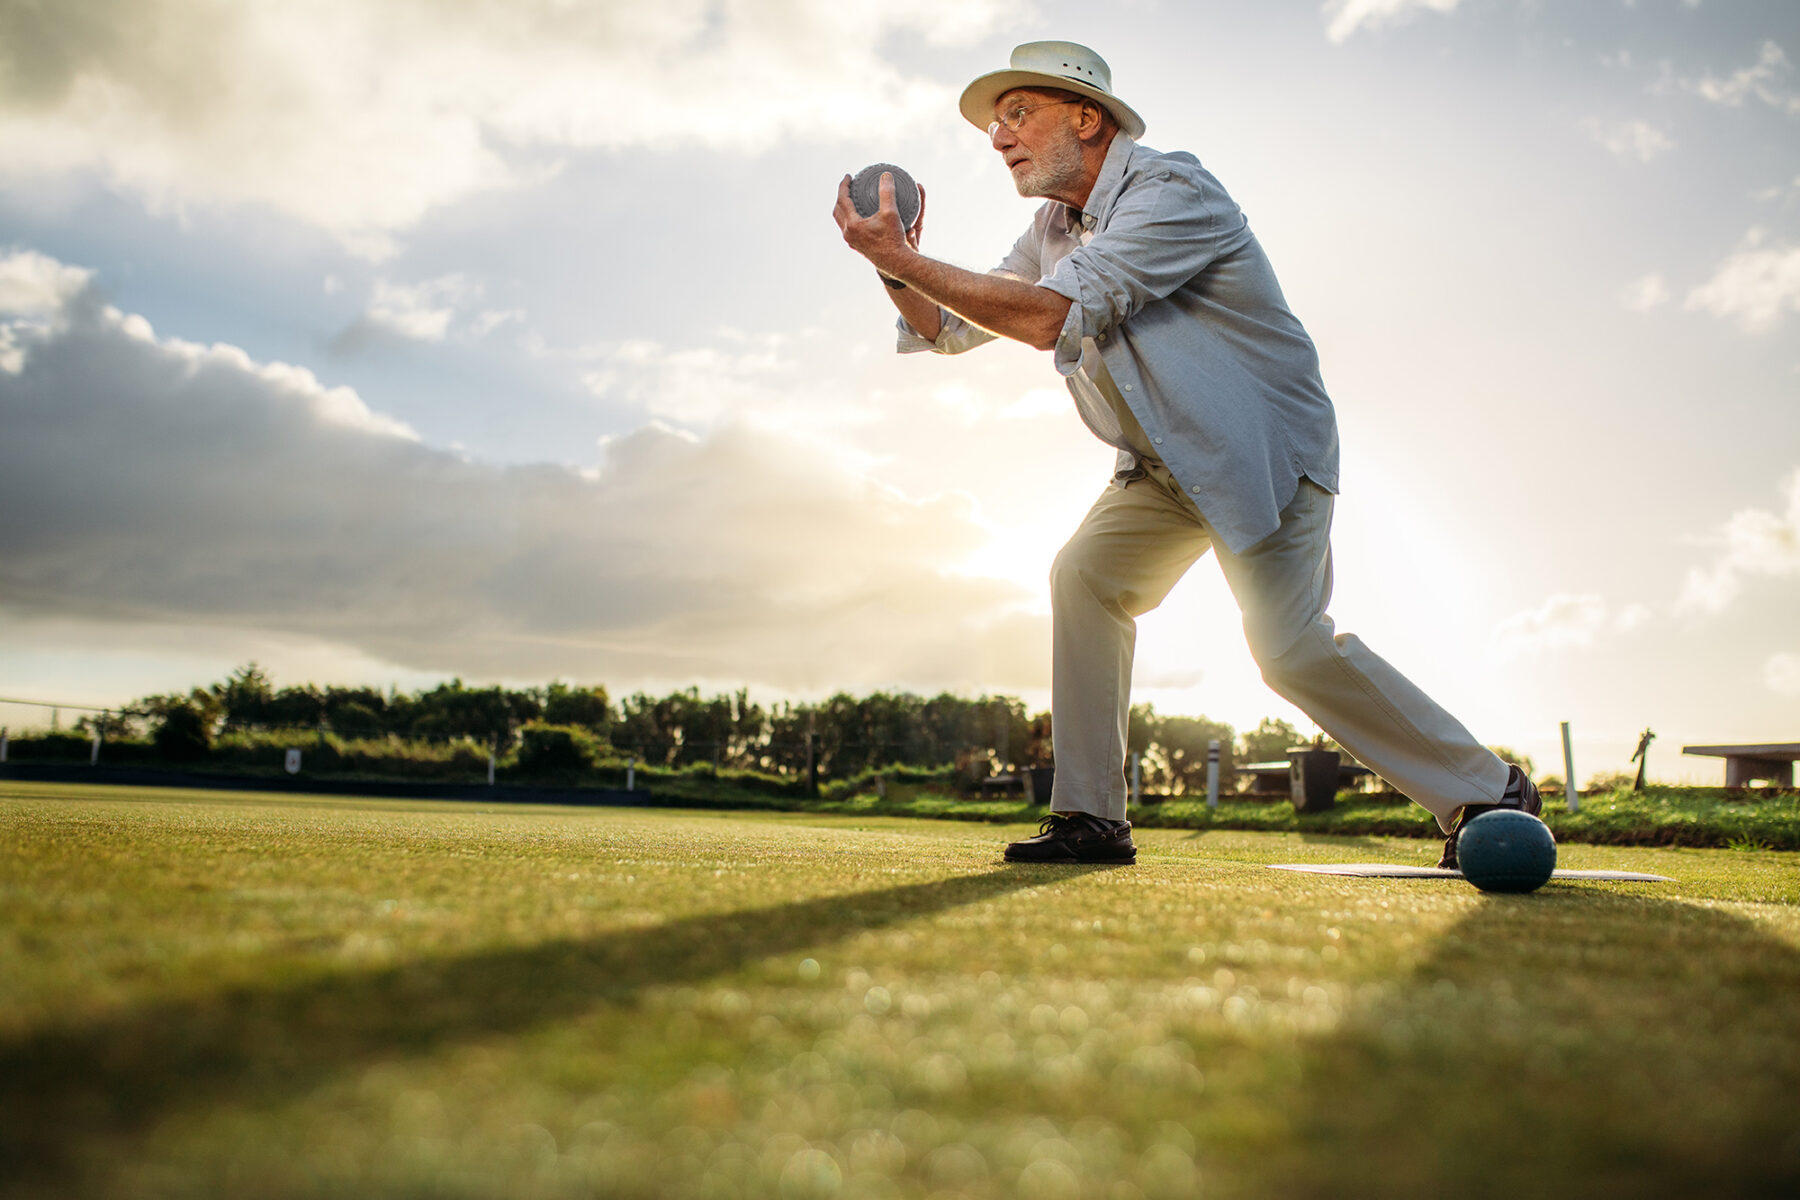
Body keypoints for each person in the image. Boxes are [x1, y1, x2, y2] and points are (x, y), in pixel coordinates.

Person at [832, 40, 1538, 868]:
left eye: (1019, 114)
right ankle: (1091, 819)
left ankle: (1490, 790)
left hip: (1259, 451)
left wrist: (905, 259)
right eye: (996, 123)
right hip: (1160, 471)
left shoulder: (1174, 190)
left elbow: (1049, 317)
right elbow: (950, 329)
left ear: (1087, 117)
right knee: (1084, 577)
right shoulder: (1052, 226)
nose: (999, 138)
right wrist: (895, 267)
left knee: (1289, 650)